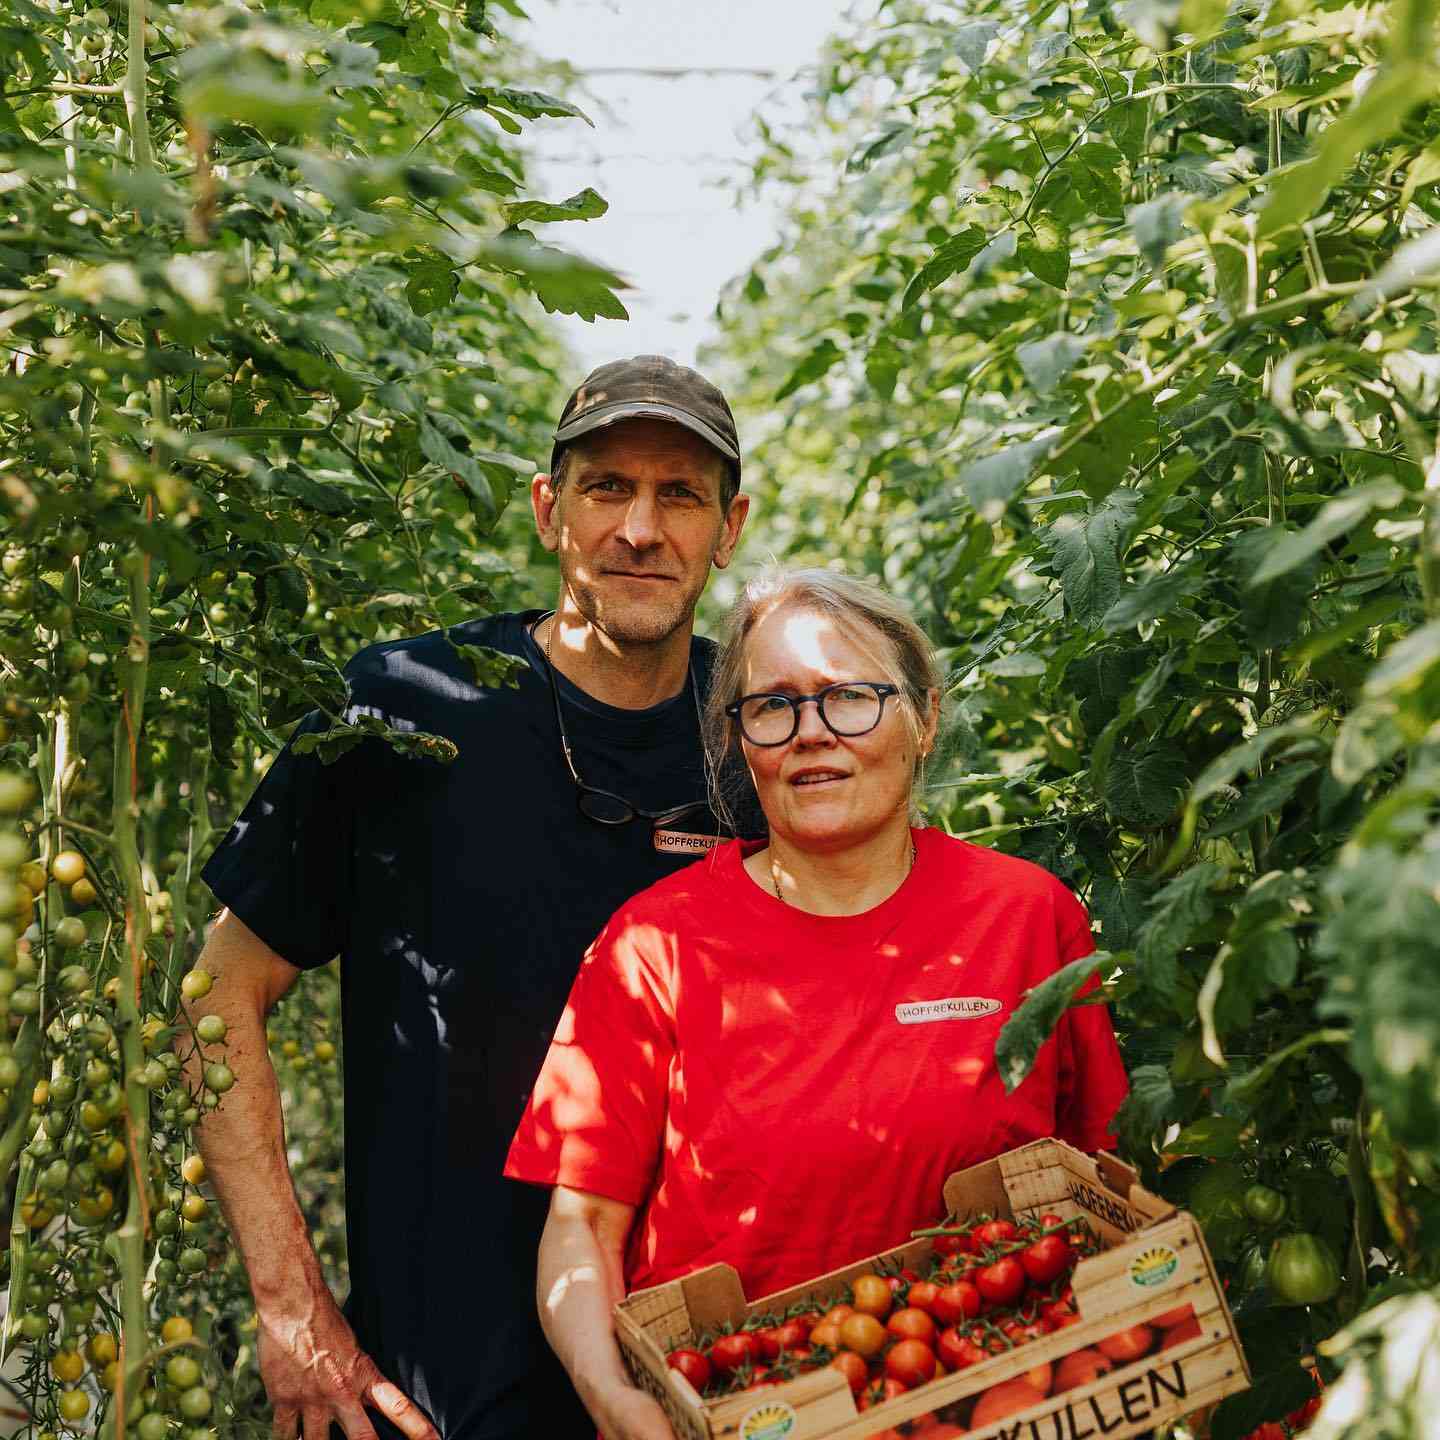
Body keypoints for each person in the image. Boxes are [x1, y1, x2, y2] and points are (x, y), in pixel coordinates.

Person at [188, 355, 751, 1440]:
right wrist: (290, 1305)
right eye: (606, 488)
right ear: (550, 510)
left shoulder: (763, 737)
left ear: (729, 527)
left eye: (680, 494)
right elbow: (218, 992)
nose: (642, 528)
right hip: (437, 1388)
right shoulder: (405, 708)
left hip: (714, 1374)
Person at [504, 567, 1130, 1440]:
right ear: (738, 740)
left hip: (998, 1400)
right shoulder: (655, 943)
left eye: (850, 697)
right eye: (773, 707)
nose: (811, 733)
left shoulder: (1028, 916)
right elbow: (582, 1225)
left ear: (925, 719)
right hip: (732, 1406)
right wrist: (610, 1394)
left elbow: (1101, 1178)